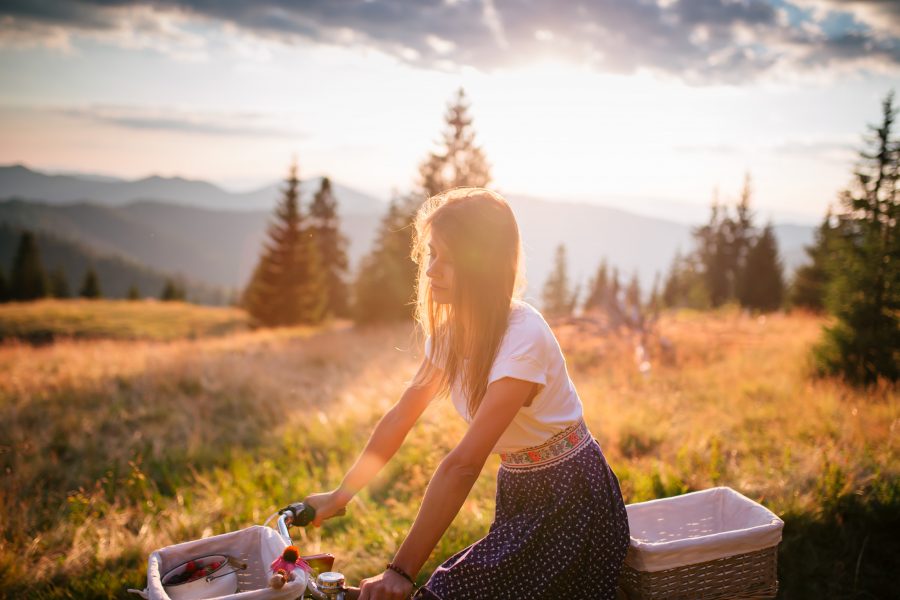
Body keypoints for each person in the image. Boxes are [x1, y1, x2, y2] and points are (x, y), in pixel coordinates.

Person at [303, 188, 630, 599]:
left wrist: (400, 571)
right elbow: (402, 415)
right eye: (431, 254)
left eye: (448, 259)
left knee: (447, 592)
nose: (431, 271)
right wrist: (342, 493)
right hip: (522, 491)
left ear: (483, 267)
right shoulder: (452, 333)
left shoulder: (522, 337)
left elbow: (464, 465)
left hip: (573, 501)